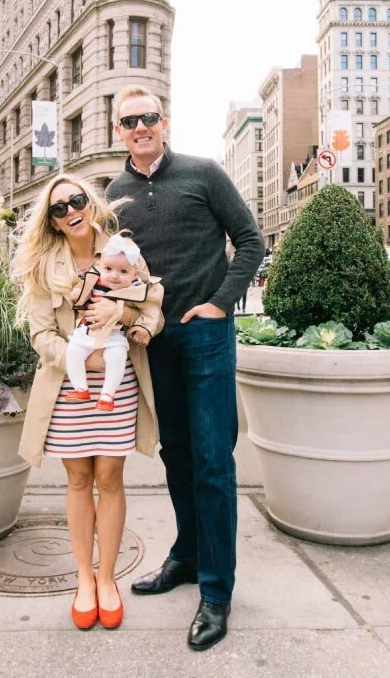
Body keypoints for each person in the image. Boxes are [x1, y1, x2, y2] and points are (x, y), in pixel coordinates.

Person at [107, 85, 265, 652]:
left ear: (164, 121)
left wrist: (220, 302)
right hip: (153, 339)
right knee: (176, 452)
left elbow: (250, 241)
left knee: (213, 462)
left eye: (148, 117)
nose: (140, 127)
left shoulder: (204, 173)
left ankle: (217, 592)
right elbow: (115, 266)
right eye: (130, 121)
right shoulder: (116, 193)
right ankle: (188, 555)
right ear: (119, 131)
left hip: (206, 337)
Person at [11, 174, 163, 632]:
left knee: (110, 478)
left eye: (76, 200)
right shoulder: (45, 265)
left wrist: (123, 313)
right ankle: (84, 579)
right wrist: (82, 359)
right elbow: (41, 334)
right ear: (53, 222)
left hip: (117, 387)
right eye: (59, 208)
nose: (71, 211)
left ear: (90, 203)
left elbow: (153, 308)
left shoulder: (122, 250)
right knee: (79, 479)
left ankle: (107, 578)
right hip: (68, 388)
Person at [65, 234, 161, 411]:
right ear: (100, 266)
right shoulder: (94, 278)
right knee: (73, 351)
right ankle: (80, 388)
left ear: (134, 274)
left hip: (113, 335)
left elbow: (152, 312)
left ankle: (107, 395)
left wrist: (140, 326)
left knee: (117, 356)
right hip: (87, 331)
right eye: (108, 269)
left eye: (123, 272)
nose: (114, 276)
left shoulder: (137, 289)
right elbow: (83, 284)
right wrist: (78, 291)